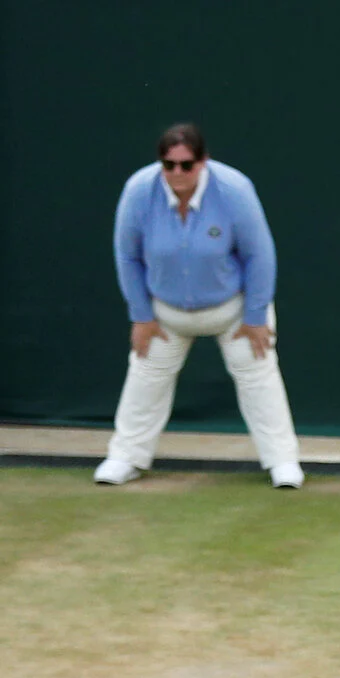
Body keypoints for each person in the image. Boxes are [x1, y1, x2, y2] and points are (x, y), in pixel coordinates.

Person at [96, 124, 302, 489]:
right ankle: (125, 458)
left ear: (203, 162)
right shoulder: (139, 191)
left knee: (259, 377)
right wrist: (140, 315)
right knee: (145, 377)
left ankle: (283, 463)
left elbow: (260, 254)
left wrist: (255, 316)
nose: (177, 173)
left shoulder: (234, 190)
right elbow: (127, 256)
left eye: (186, 165)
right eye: (168, 165)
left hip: (233, 311)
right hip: (165, 313)